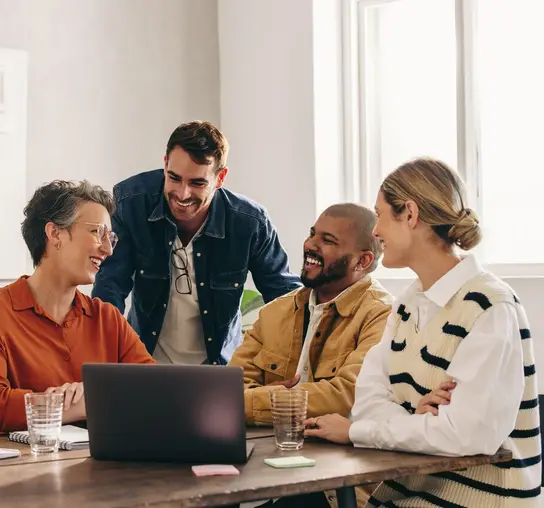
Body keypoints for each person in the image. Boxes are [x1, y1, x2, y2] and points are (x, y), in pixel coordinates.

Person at [306, 158, 541, 506]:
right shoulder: (406, 305)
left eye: (380, 214)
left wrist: (358, 432)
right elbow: (368, 404)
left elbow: (466, 435)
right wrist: (417, 413)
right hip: (407, 495)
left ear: (411, 214)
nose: (375, 231)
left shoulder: (491, 308)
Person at [91, 121, 301, 366]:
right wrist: (105, 365)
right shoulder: (130, 203)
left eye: (197, 183)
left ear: (220, 177)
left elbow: (286, 299)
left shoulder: (250, 223)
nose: (182, 194)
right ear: (165, 163)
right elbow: (110, 289)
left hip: (219, 370)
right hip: (145, 364)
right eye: (174, 178)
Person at [230, 203, 392, 508]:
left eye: (328, 241)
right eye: (312, 234)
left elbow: (344, 395)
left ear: (363, 260)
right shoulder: (277, 311)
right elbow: (228, 390)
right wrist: (269, 398)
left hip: (336, 482)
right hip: (266, 470)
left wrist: (268, 399)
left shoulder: (382, 314)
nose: (310, 245)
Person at [0, 180, 154, 435]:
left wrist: (91, 397)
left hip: (89, 469)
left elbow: (154, 392)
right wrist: (68, 405)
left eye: (111, 237)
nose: (108, 249)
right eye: (97, 232)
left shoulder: (108, 319)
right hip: (8, 470)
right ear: (54, 234)